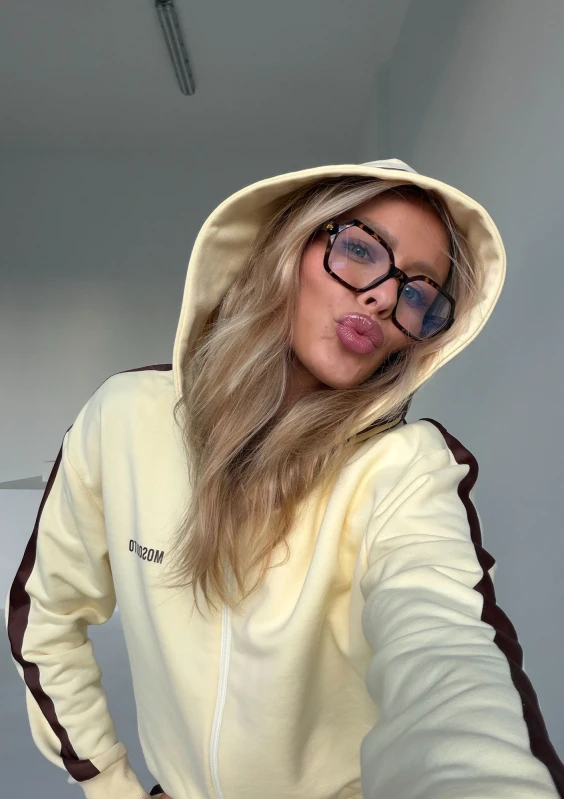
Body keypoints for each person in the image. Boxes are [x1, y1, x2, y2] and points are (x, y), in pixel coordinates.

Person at [5, 158, 564, 800]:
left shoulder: (407, 468)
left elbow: (447, 652)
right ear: (289, 247)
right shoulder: (125, 418)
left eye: (418, 294)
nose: (385, 297)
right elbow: (46, 614)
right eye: (362, 249)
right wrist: (111, 783)